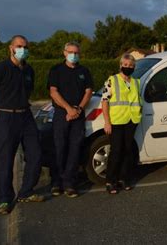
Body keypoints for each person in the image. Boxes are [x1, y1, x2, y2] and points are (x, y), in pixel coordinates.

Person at [0, 35, 44, 215]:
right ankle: (4, 199)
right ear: (11, 48)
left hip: (26, 117)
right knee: (6, 160)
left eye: (25, 47)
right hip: (6, 118)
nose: (22, 49)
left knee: (36, 154)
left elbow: (27, 92)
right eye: (19, 46)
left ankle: (26, 191)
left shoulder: (29, 70)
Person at [47, 41, 93, 197]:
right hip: (62, 114)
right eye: (71, 52)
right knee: (59, 148)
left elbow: (88, 91)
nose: (74, 55)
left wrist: (78, 109)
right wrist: (68, 109)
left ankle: (69, 183)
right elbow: (53, 92)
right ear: (64, 53)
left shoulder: (84, 71)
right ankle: (56, 182)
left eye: (77, 52)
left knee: (75, 149)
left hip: (78, 114)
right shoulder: (56, 70)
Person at [102, 54, 142, 194]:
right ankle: (110, 181)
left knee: (127, 151)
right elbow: (105, 101)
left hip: (132, 120)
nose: (128, 67)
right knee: (116, 151)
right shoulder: (112, 80)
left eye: (131, 66)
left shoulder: (136, 82)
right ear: (120, 65)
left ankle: (122, 179)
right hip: (117, 121)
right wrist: (107, 121)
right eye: (125, 65)